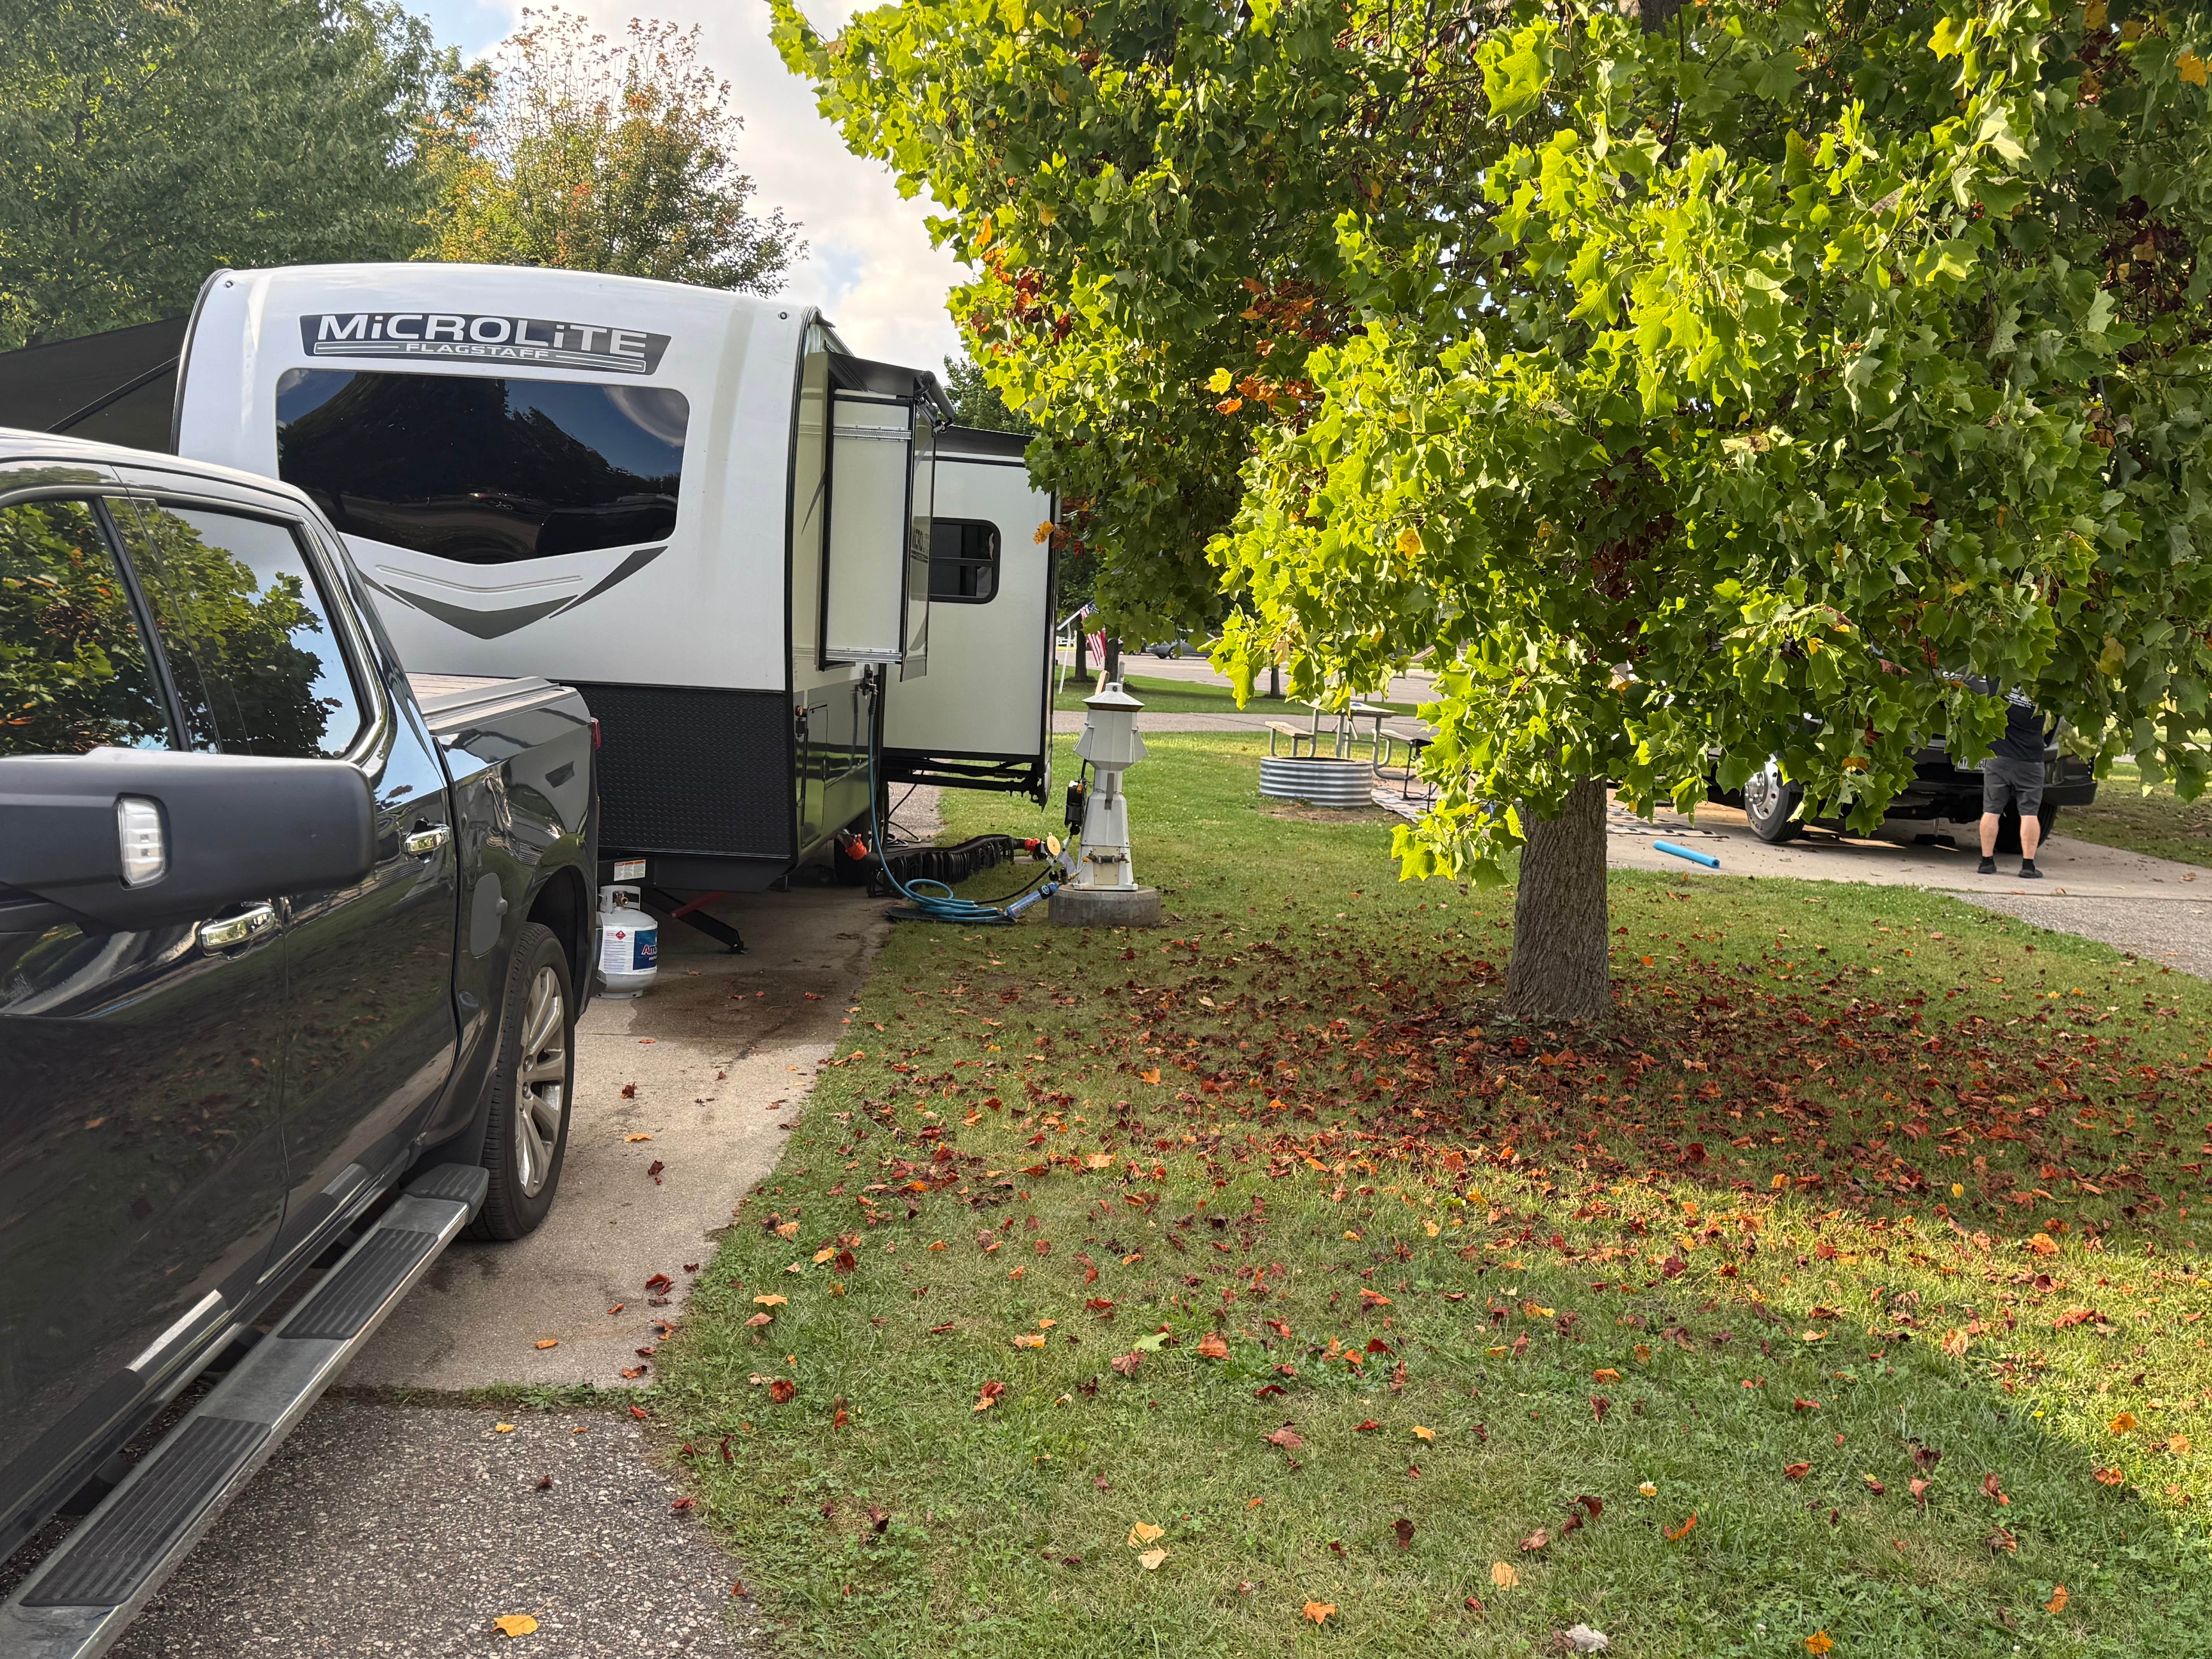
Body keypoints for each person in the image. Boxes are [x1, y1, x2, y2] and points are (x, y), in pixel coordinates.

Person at [1968, 678, 2053, 878]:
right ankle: (2028, 866)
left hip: (2000, 757)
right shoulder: (2046, 689)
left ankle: (1987, 862)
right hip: (2031, 760)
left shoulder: (1999, 682)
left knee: (1991, 810)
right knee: (2030, 813)